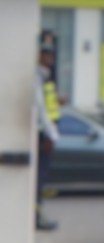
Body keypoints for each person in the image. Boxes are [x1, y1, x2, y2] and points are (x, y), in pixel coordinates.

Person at [34, 42, 61, 230]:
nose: (50, 59)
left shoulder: (45, 77)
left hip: (45, 131)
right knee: (37, 181)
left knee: (40, 180)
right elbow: (40, 109)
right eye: (46, 55)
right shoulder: (37, 76)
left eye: (51, 56)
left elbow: (48, 106)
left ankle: (37, 218)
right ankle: (36, 220)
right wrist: (49, 135)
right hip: (41, 133)